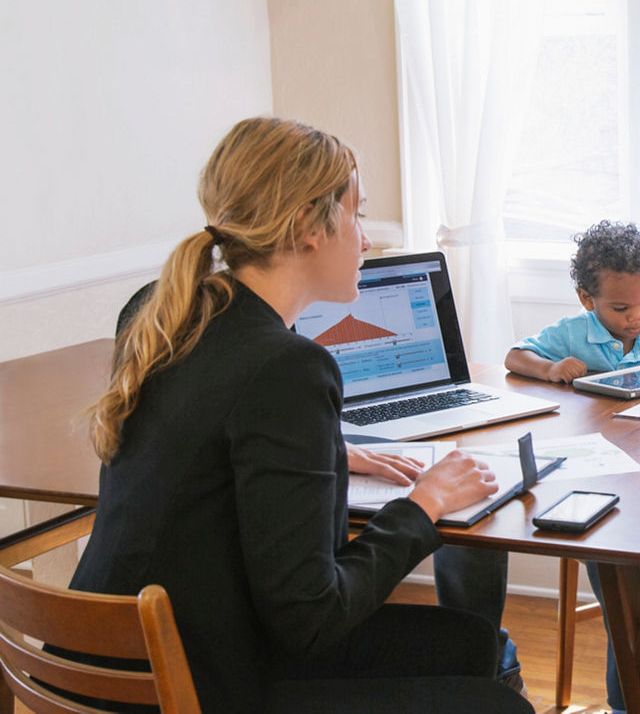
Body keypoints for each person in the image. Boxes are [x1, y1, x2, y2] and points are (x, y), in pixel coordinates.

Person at [69, 117, 532, 714]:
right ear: (311, 227)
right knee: (502, 705)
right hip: (192, 684)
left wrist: (327, 451)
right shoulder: (288, 368)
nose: (366, 240)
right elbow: (312, 620)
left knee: (471, 644)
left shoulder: (160, 314)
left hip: (100, 661)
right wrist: (425, 505)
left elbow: (202, 442)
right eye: (357, 214)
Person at [505, 220, 640, 381]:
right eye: (621, 308)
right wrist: (550, 369)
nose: (637, 316)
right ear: (587, 299)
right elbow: (514, 356)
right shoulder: (575, 331)